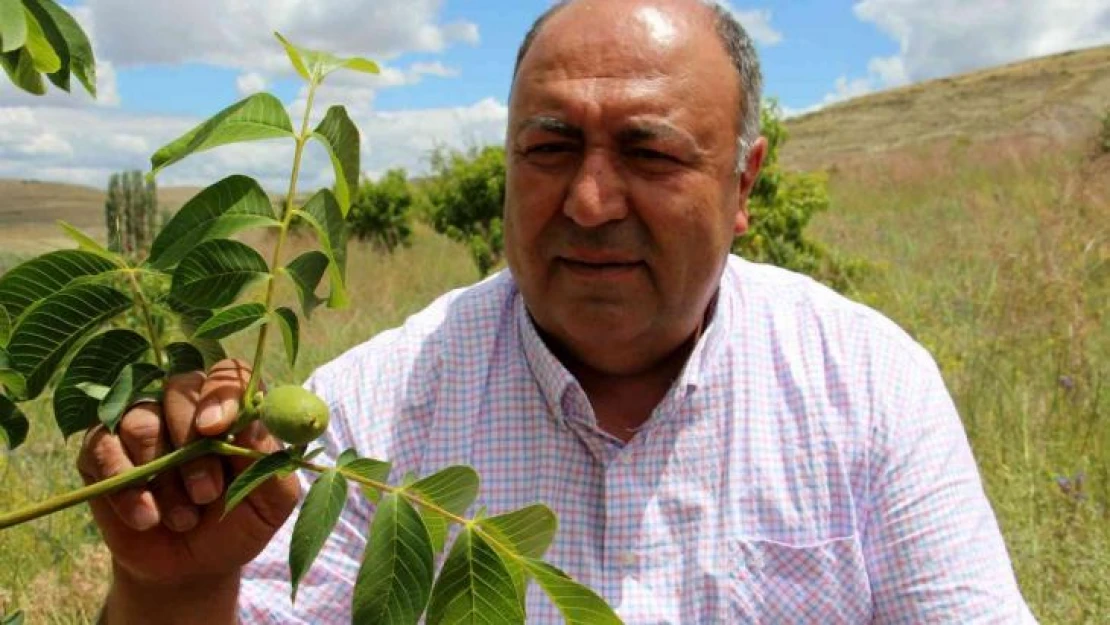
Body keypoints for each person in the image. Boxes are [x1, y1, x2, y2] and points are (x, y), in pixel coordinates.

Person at [80, 0, 1037, 622]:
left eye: (649, 153)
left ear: (743, 185)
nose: (587, 201)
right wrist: (174, 588)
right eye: (548, 149)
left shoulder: (867, 384)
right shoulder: (375, 405)